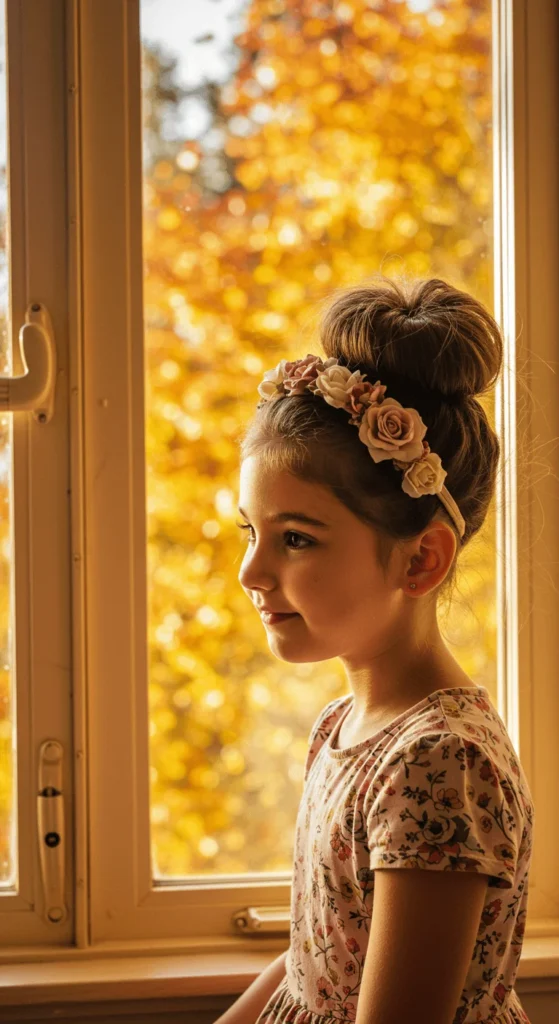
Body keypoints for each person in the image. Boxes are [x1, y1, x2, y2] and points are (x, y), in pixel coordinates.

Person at [214, 275, 534, 1024]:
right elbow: (313, 960)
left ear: (421, 559)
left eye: (296, 539)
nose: (250, 572)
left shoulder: (440, 763)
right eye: (250, 531)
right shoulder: (342, 727)